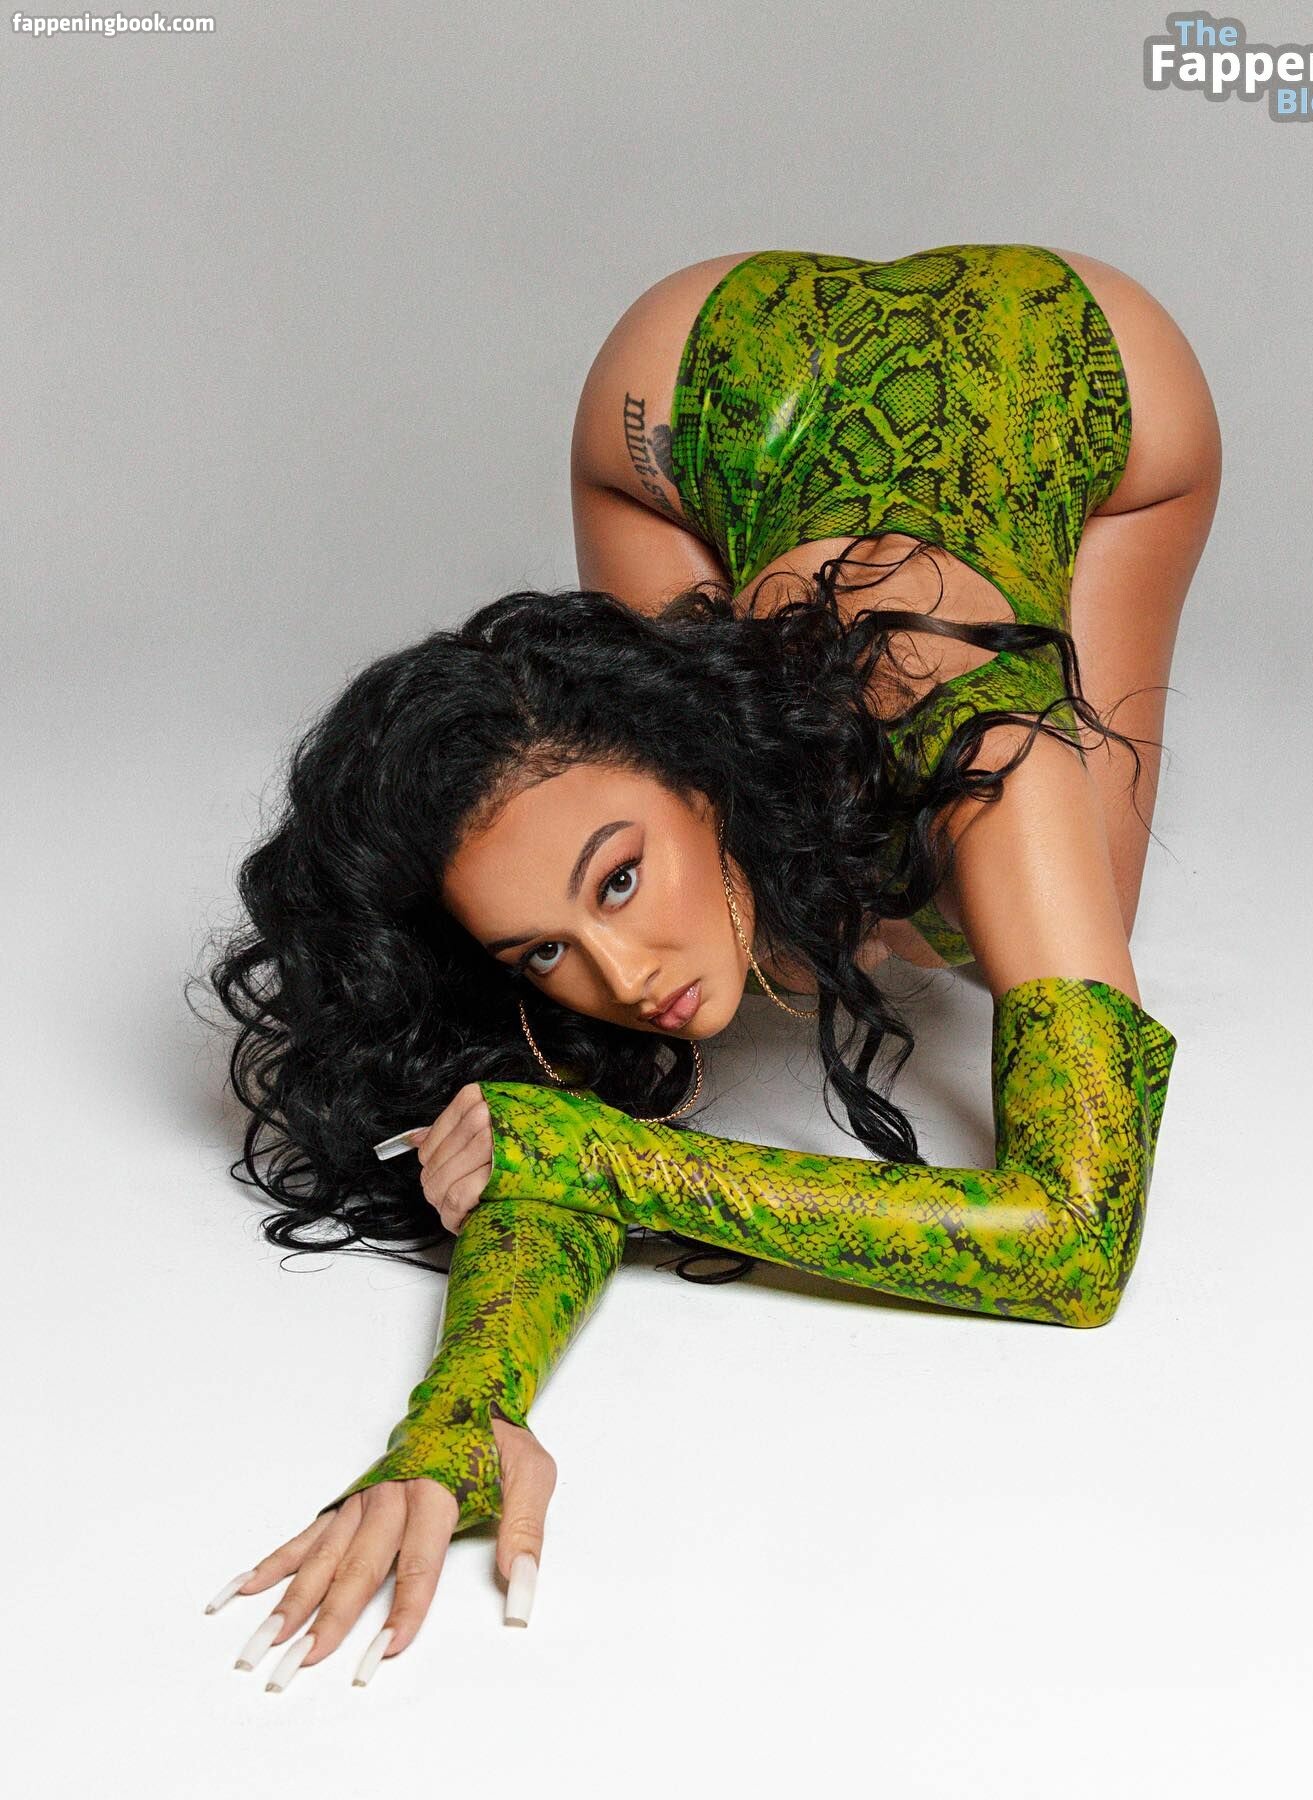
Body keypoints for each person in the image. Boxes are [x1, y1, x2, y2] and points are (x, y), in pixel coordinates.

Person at [199, 241, 1221, 1688]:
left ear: (691, 766)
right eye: (544, 946)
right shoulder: (626, 806)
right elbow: (556, 1136)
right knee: (795, 906)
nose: (624, 978)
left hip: (1070, 364)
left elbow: (1077, 1235)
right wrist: (456, 1416)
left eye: (621, 878)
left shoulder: (987, 734)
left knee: (1046, 907)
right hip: (674, 401)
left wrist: (616, 1160)